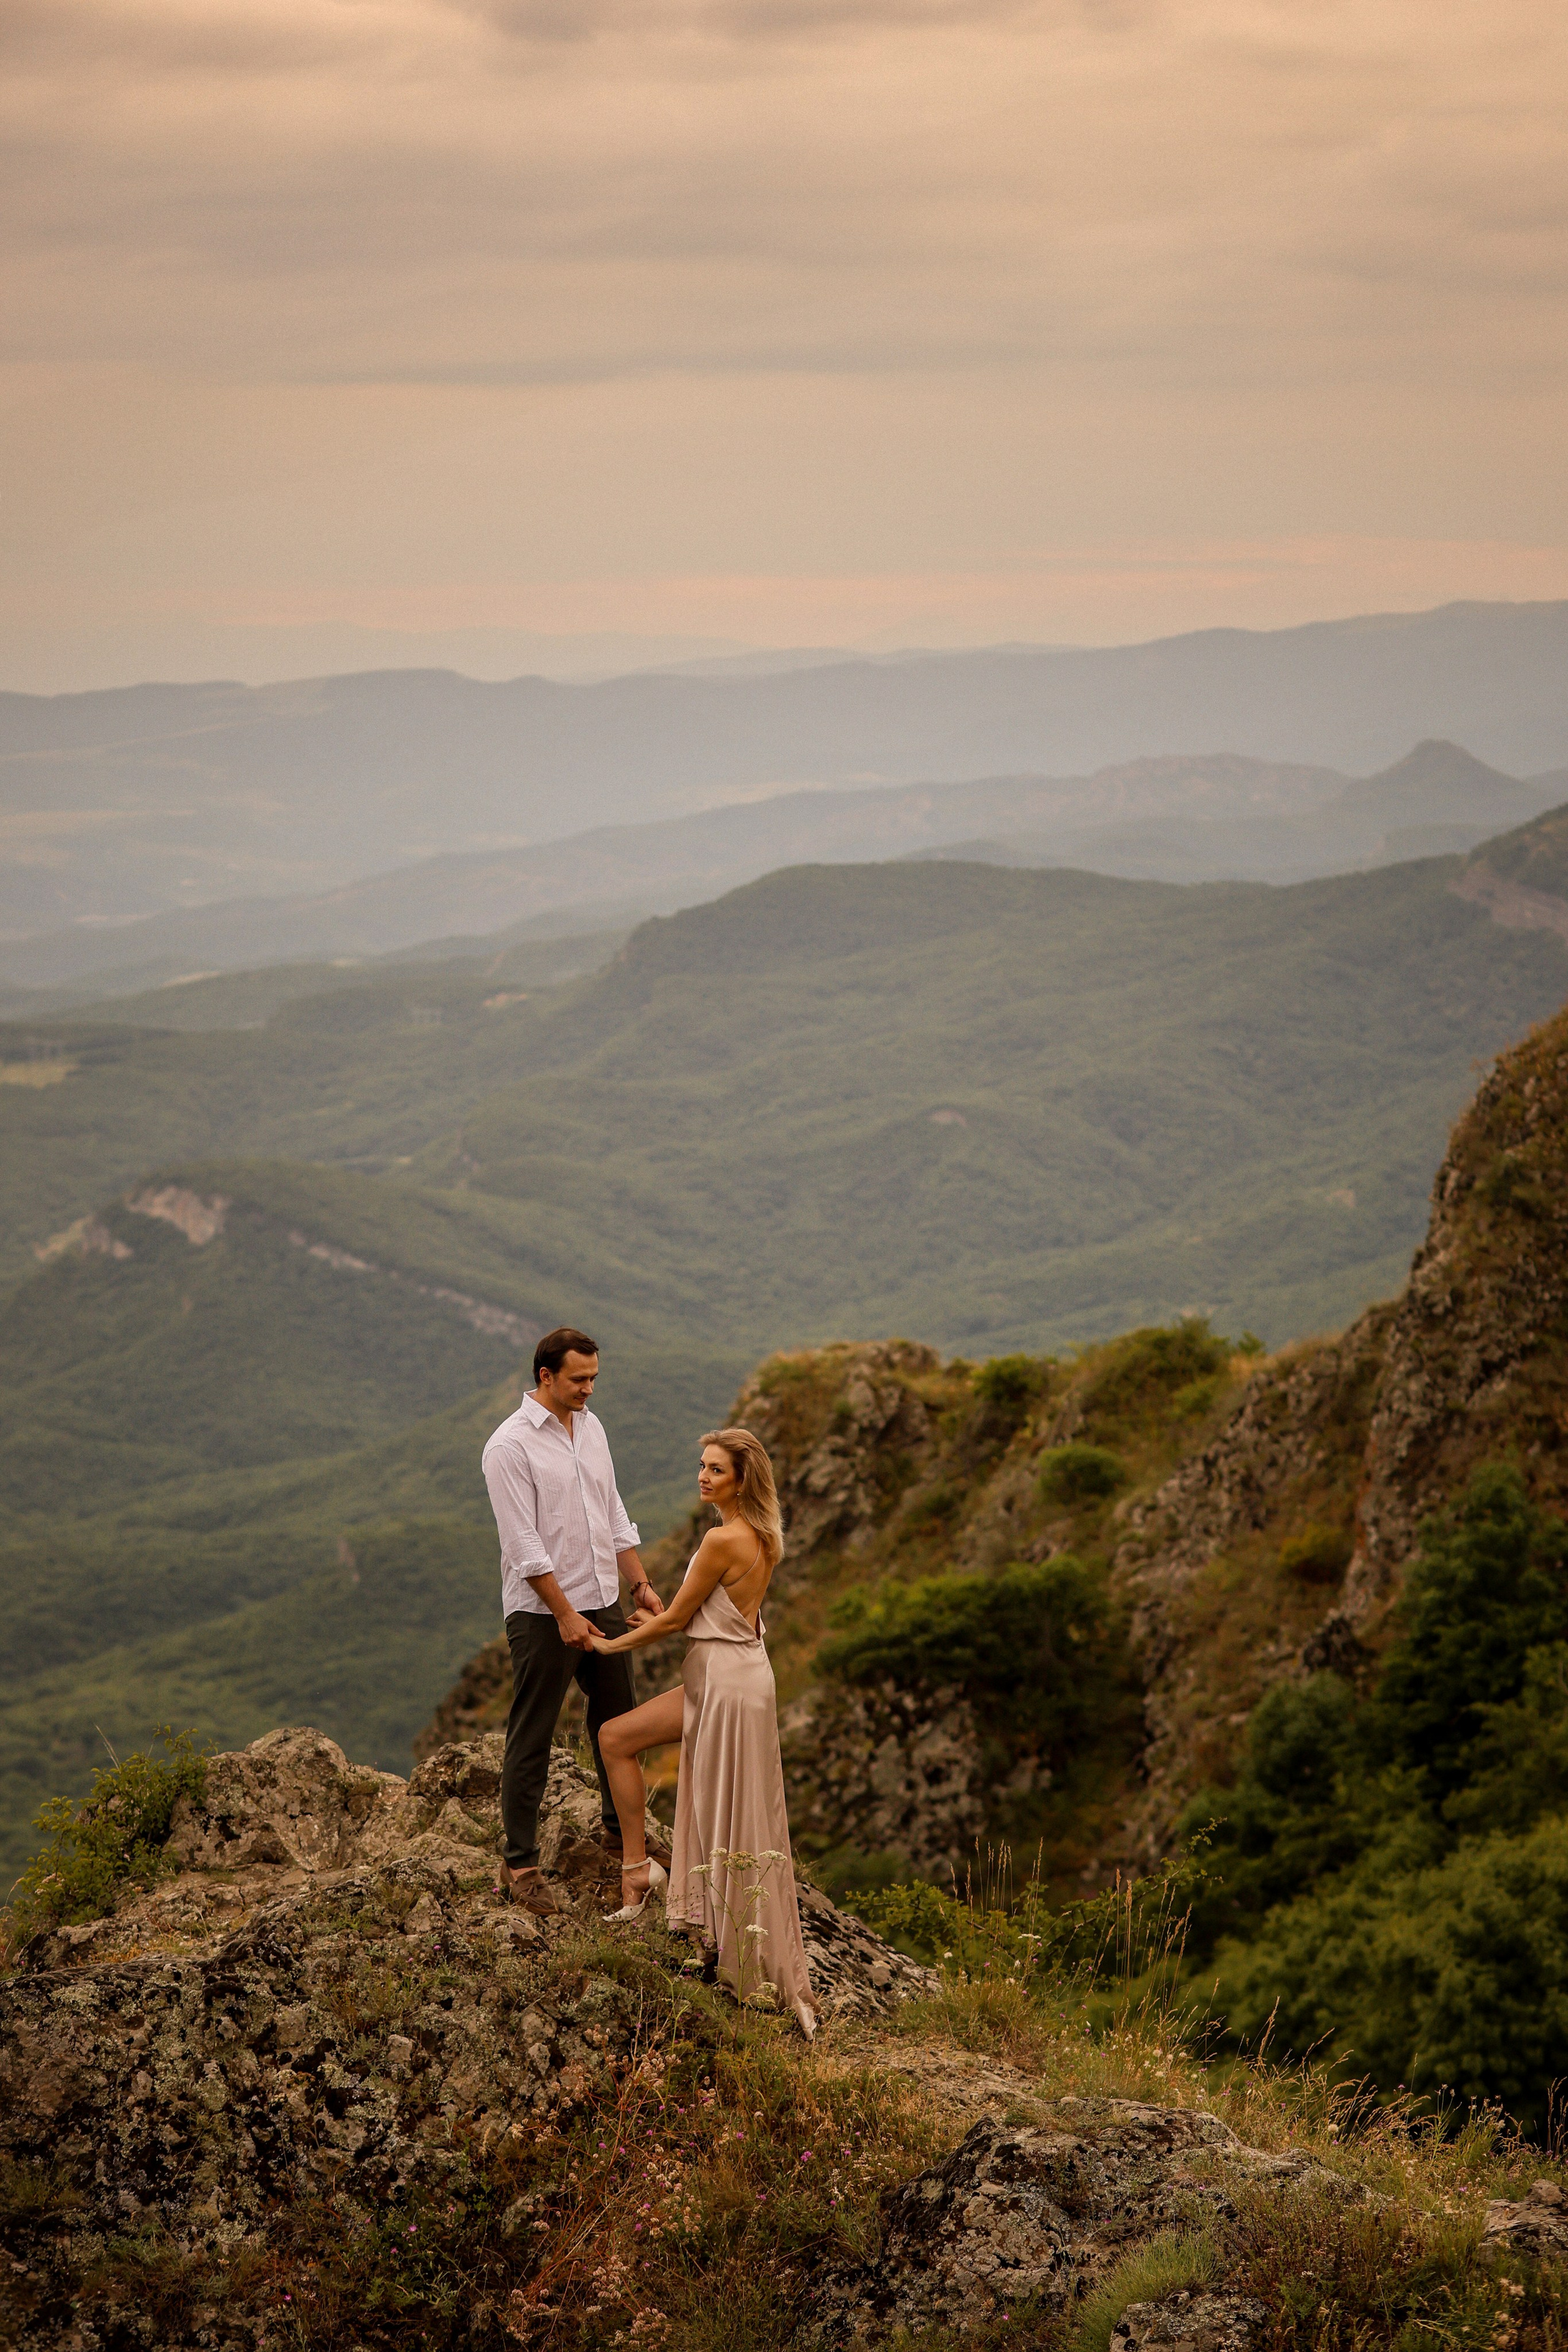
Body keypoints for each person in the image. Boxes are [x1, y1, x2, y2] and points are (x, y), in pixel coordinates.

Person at [588, 1427, 816, 2037]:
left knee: (727, 1809)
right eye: (702, 1465)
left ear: (741, 1480)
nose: (702, 1476)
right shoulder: (763, 1536)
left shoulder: (722, 1539)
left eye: (716, 1469)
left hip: (723, 1682)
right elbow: (703, 1615)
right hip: (735, 1675)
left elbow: (679, 1623)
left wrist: (610, 1644)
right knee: (620, 1740)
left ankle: (732, 1950)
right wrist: (656, 1617)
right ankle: (645, 1875)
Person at [481, 1325, 665, 1916]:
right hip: (541, 1612)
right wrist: (562, 1614)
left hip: (601, 1599)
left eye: (593, 1378)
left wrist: (639, 1582)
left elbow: (612, 1514)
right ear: (545, 1376)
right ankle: (521, 1863)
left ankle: (620, 1834)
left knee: (618, 1720)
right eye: (578, 1379)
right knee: (532, 1730)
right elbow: (523, 1544)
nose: (589, 1389)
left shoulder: (592, 1428)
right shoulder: (508, 1447)